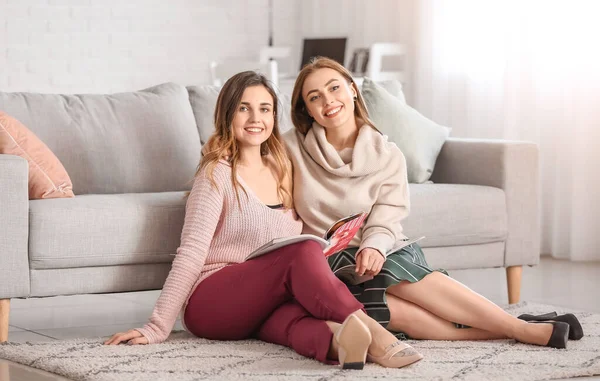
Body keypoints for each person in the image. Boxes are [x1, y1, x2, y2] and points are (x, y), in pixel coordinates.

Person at [104, 71, 423, 369]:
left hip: (262, 303)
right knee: (301, 252)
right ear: (228, 115)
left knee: (296, 321)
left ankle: (344, 345)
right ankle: (379, 337)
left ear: (274, 116)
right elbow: (191, 252)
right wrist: (157, 326)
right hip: (212, 303)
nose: (256, 118)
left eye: (265, 109)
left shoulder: (285, 170)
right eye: (244, 108)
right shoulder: (216, 174)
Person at [284, 57, 582, 349]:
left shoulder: (387, 154)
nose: (328, 101)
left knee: (391, 274)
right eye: (315, 97)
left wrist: (374, 245)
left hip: (381, 247)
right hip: (328, 260)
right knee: (385, 304)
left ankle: (520, 328)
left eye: (334, 88)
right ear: (307, 109)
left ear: (351, 89)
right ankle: (520, 328)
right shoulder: (290, 147)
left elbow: (388, 212)